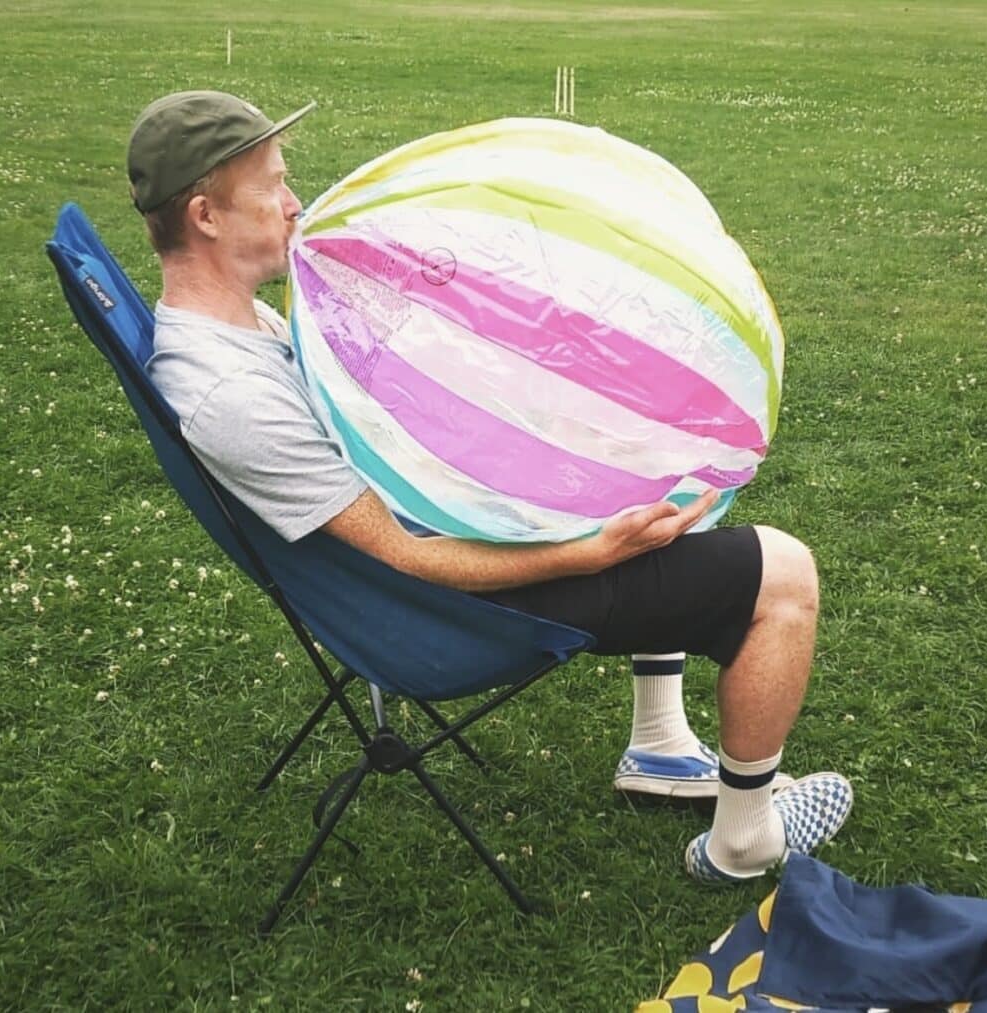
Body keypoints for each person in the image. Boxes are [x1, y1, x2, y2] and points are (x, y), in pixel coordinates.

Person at [128, 90, 853, 883]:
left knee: (623, 457)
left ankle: (659, 739)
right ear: (205, 216)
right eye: (272, 187)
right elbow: (402, 556)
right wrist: (586, 551)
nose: (295, 202)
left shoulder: (235, 333)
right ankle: (744, 838)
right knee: (785, 576)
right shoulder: (228, 392)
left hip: (425, 574)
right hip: (440, 613)